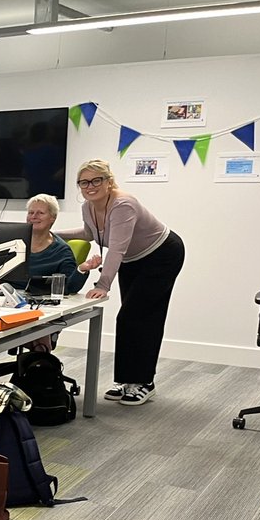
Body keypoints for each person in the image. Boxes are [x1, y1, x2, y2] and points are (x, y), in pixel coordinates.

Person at [56, 159, 185, 406]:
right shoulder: (88, 207)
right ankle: (126, 380)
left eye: (96, 180)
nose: (90, 186)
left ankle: (144, 382)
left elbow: (116, 248)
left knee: (141, 317)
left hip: (161, 255)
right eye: (84, 182)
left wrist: (103, 284)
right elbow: (90, 234)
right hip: (133, 260)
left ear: (109, 181)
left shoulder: (123, 204)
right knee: (129, 318)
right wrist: (53, 232)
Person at [0, 194, 89, 385]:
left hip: (37, 307)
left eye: (40, 213)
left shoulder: (61, 250)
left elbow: (68, 287)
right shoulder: (12, 241)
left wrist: (82, 269)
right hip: (3, 301)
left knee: (39, 326)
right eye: (31, 212)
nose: (34, 216)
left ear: (52, 218)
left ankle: (38, 371)